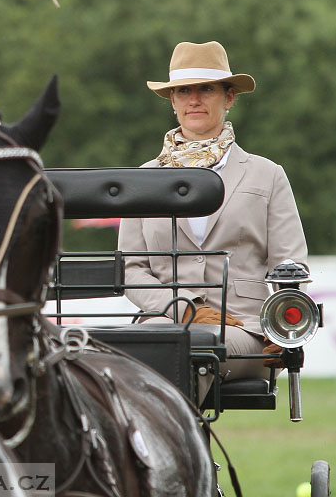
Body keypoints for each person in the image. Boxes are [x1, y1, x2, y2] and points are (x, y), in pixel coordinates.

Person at [117, 40, 309, 402]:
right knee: (155, 347)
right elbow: (131, 269)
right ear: (172, 101)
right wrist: (186, 307)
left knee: (187, 348)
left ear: (229, 97)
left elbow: (290, 264)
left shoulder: (267, 175)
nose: (194, 100)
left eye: (206, 89)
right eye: (183, 91)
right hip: (164, 321)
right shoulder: (143, 178)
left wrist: (281, 328)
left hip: (245, 331)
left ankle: (170, 454)